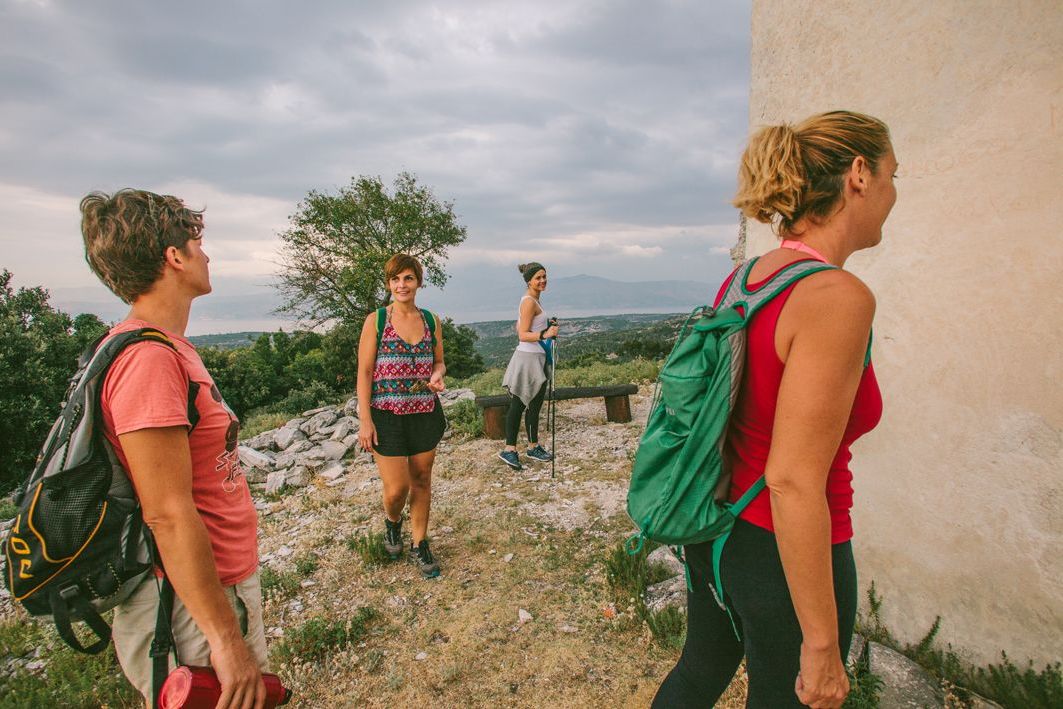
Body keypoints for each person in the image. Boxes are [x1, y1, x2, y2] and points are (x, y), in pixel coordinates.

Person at [652, 111, 897, 709]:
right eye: (893, 174)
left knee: (698, 673)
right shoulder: (836, 297)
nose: (894, 192)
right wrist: (822, 641)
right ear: (859, 175)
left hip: (714, 528)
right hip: (784, 555)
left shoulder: (745, 280)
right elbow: (791, 479)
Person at [80, 189, 267, 709]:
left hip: (209, 591)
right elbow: (166, 512)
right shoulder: (148, 360)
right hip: (188, 607)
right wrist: (224, 639)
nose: (206, 254)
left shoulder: (164, 347)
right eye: (197, 242)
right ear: (174, 257)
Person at [357, 254, 447, 579]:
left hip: (424, 411)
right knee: (397, 488)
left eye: (408, 278)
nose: (401, 285)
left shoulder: (431, 320)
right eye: (395, 279)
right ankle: (393, 522)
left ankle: (420, 543)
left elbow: (439, 362)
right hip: (386, 414)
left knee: (421, 479)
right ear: (389, 283)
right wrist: (365, 420)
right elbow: (365, 371)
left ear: (418, 282)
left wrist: (437, 375)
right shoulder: (377, 320)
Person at [497, 262, 559, 471]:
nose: (542, 281)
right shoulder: (529, 302)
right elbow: (522, 334)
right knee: (518, 405)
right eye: (538, 278)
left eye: (544, 276)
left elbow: (520, 325)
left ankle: (533, 447)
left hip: (537, 358)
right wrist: (545, 333)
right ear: (529, 281)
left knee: (534, 405)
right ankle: (509, 450)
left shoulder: (534, 300)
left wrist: (546, 326)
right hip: (527, 359)